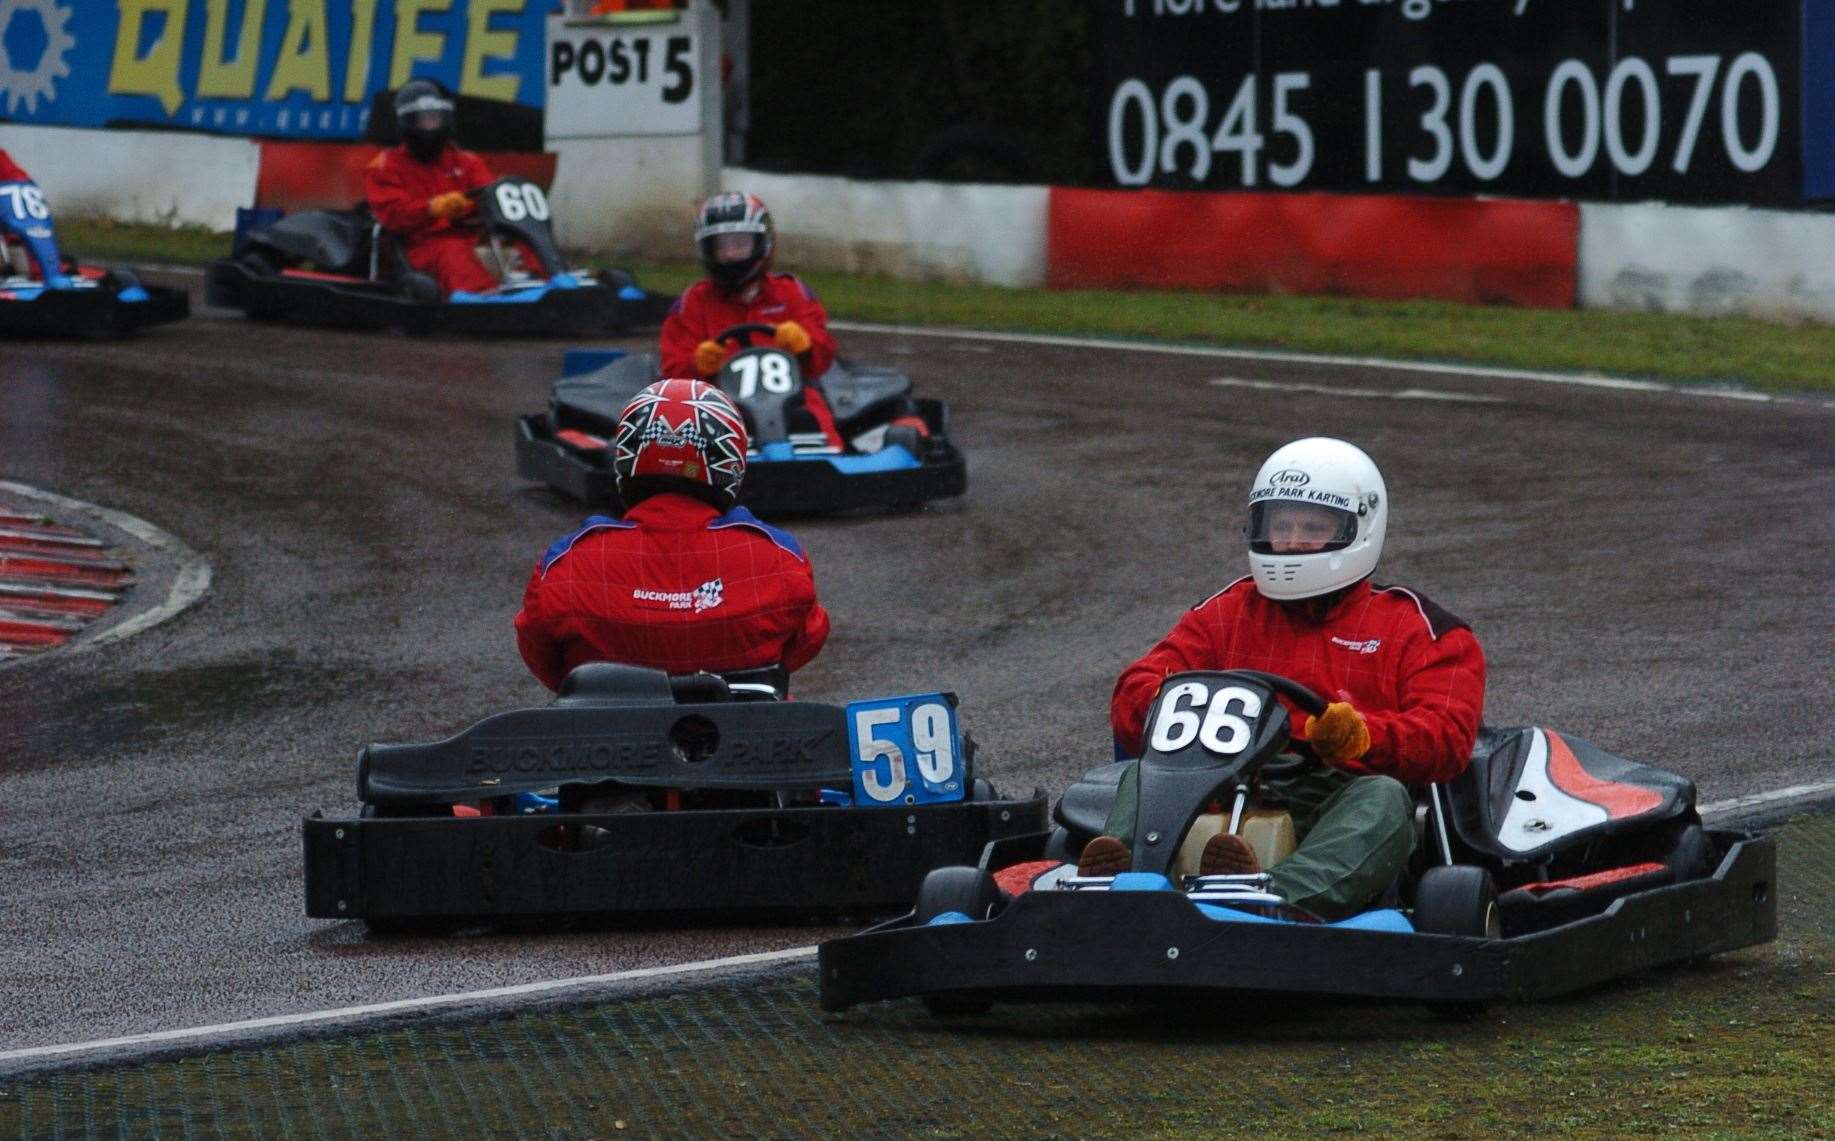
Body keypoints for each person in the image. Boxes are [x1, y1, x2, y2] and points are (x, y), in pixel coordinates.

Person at [1084, 437, 1486, 921]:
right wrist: (1165, 710)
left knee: (1383, 797)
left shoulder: (1419, 628)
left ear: (1359, 528)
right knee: (1140, 774)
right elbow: (1137, 685)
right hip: (1211, 784)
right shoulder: (1227, 612)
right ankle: (1123, 887)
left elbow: (1448, 740)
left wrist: (1362, 737)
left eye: (1312, 527)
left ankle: (1266, 899)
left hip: (1334, 797)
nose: (1292, 541)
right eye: (1281, 525)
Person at [514, 379, 830, 691]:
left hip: (610, 733)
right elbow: (803, 643)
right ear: (729, 463)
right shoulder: (779, 558)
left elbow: (544, 658)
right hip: (745, 734)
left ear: (625, 456)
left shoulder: (566, 564)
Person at [658, 192, 846, 446]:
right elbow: (672, 375)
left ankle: (825, 463)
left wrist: (806, 344)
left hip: (793, 402)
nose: (730, 255)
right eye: (721, 247)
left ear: (761, 243)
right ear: (708, 251)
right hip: (719, 408)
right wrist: (698, 365)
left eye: (739, 244)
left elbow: (822, 359)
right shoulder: (694, 303)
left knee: (814, 417)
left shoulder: (790, 292)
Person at [362, 80, 502, 296]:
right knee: (452, 251)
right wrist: (434, 208)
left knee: (519, 242)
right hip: (420, 245)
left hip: (473, 238)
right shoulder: (385, 167)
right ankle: (483, 298)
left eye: (436, 118)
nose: (432, 125)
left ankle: (550, 286)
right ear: (408, 123)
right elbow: (393, 216)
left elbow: (488, 192)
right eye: (425, 120)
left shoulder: (466, 161)